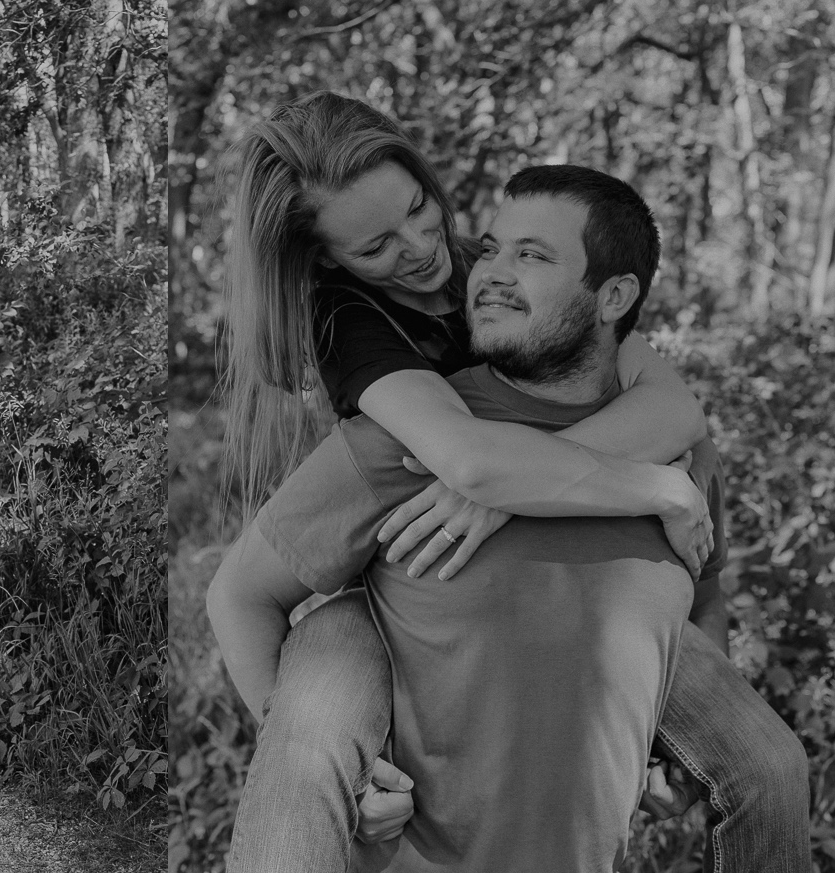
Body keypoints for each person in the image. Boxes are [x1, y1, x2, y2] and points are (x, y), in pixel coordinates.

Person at [206, 95, 809, 871]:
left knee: (771, 765)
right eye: (379, 245)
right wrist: (628, 488)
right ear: (330, 259)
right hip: (392, 572)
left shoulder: (491, 265)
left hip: (525, 526)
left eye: (423, 210)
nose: (428, 250)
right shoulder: (355, 336)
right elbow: (464, 459)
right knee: (311, 727)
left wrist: (636, 484)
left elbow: (673, 406)